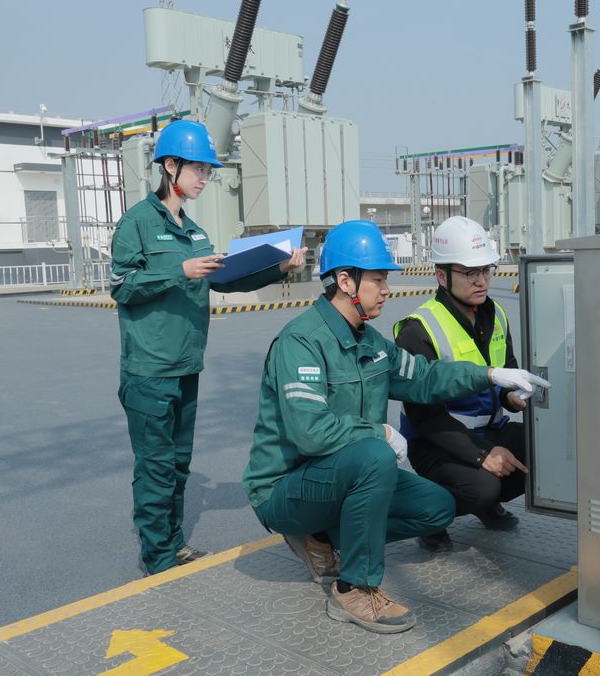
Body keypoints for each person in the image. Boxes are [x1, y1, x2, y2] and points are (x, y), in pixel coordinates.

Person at [241, 220, 548, 634]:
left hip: (342, 475)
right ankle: (354, 588)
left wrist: (490, 375)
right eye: (379, 280)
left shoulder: (371, 342)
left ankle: (322, 538)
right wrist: (380, 434)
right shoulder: (302, 343)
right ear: (345, 281)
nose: (386, 290)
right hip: (287, 487)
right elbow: (311, 432)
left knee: (437, 508)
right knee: (374, 455)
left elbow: (425, 377)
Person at [110, 119, 306, 576]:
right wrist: (179, 270)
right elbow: (122, 286)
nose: (205, 178)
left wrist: (278, 269)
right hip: (149, 371)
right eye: (199, 169)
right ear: (170, 166)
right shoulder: (137, 223)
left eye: (208, 171)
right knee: (156, 466)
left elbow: (224, 280)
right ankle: (158, 557)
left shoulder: (195, 233)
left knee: (178, 464)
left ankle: (173, 543)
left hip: (186, 366)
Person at [394, 216, 529, 553]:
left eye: (485, 270)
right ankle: (429, 515)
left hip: (489, 430)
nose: (481, 281)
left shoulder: (496, 314)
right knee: (482, 487)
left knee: (545, 452)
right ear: (442, 276)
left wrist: (512, 397)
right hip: (436, 441)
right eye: (470, 273)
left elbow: (507, 369)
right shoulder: (418, 330)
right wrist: (483, 455)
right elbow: (424, 416)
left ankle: (486, 501)